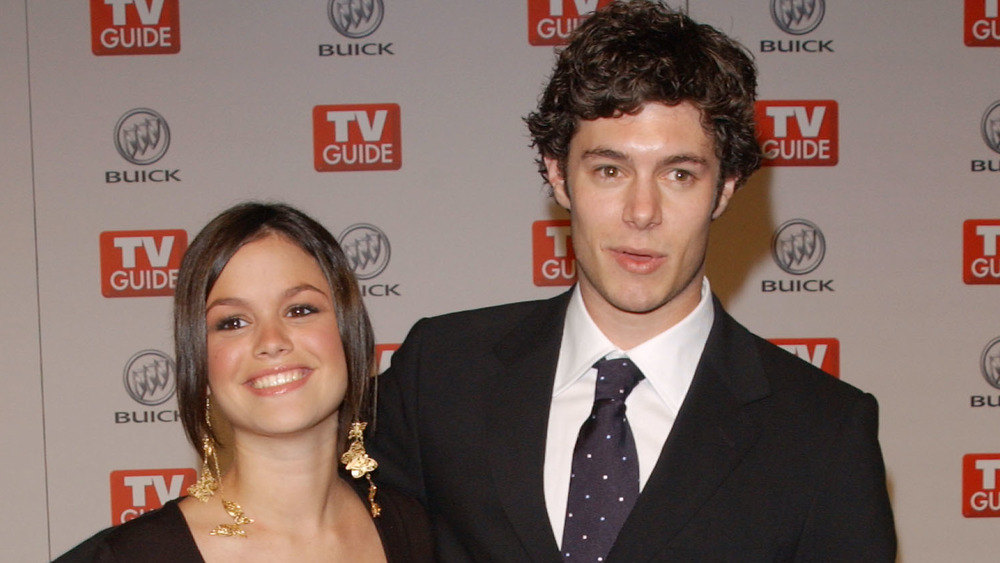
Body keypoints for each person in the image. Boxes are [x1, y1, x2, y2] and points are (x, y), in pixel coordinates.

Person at [369, 2, 896, 561]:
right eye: (610, 170)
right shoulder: (441, 374)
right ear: (558, 174)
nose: (642, 211)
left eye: (679, 174)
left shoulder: (822, 432)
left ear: (725, 187)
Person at [55, 202, 433, 563]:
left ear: (351, 336)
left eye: (300, 310)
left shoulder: (414, 529)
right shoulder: (133, 556)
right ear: (200, 364)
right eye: (233, 322)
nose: (271, 341)